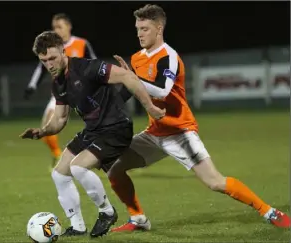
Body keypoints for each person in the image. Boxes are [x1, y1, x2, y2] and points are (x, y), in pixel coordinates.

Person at [107, 4, 291, 232]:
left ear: (159, 28)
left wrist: (131, 79)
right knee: (114, 167)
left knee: (215, 182)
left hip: (180, 132)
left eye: (144, 28)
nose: (139, 34)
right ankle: (138, 219)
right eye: (137, 28)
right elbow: (130, 91)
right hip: (155, 133)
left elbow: (163, 91)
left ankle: (268, 211)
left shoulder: (169, 56)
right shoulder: (136, 58)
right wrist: (107, 103)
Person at [19, 30, 165, 238]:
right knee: (59, 174)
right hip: (94, 131)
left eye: (52, 58)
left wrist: (149, 106)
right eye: (44, 61)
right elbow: (60, 120)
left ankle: (107, 212)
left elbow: (126, 76)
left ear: (63, 51)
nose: (49, 64)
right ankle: (78, 226)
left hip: (116, 128)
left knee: (78, 167)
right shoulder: (58, 83)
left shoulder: (87, 68)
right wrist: (41, 131)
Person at [23, 13, 97, 169]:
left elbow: (94, 64)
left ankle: (110, 157)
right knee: (46, 128)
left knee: (99, 126)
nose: (56, 30)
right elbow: (41, 69)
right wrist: (32, 86)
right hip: (60, 94)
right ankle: (58, 155)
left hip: (81, 93)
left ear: (68, 26)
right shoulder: (51, 48)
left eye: (59, 27)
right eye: (54, 27)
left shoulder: (81, 44)